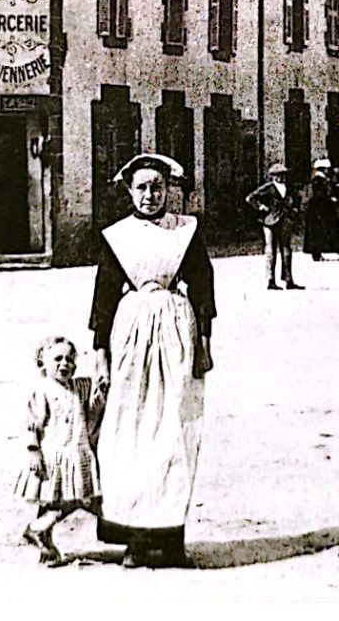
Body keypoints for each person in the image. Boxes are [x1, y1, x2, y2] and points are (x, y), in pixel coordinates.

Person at [88, 153, 216, 569]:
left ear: (169, 190)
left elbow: (202, 286)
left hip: (177, 333)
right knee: (132, 432)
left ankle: (172, 538)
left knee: (176, 433)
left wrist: (204, 342)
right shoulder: (118, 236)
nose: (149, 195)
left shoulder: (186, 231)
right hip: (130, 336)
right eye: (141, 187)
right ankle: (137, 540)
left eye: (157, 187)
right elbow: (104, 296)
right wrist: (100, 353)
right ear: (129, 190)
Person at [15, 336, 103, 567]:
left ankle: (45, 547)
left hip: (78, 453)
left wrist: (101, 391)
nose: (64, 364)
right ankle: (36, 529)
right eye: (58, 359)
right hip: (55, 457)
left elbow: (93, 409)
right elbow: (32, 424)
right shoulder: (43, 391)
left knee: (63, 501)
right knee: (68, 500)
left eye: (69, 360)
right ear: (42, 363)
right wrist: (34, 452)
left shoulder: (80, 387)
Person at [246, 162, 304, 290]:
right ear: (272, 176)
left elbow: (297, 199)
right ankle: (270, 280)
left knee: (286, 250)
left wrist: (295, 209)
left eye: (283, 175)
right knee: (271, 251)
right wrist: (261, 207)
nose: (281, 178)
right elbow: (250, 198)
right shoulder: (268, 188)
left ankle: (289, 280)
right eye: (278, 175)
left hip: (285, 221)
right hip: (270, 222)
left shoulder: (289, 188)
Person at [304, 158, 339, 261]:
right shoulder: (318, 181)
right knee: (319, 230)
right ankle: (317, 252)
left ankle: (319, 252)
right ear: (323, 169)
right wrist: (330, 199)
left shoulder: (321, 180)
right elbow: (318, 195)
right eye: (326, 169)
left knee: (320, 231)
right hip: (319, 209)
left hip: (321, 208)